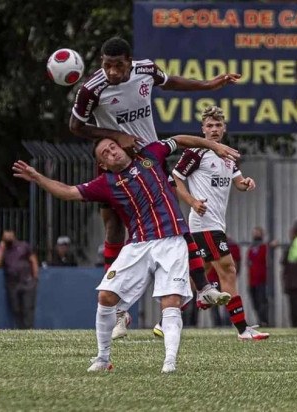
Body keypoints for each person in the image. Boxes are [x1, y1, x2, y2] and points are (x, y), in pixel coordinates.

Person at [13, 134, 239, 373]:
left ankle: (169, 363)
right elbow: (68, 191)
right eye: (106, 154)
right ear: (103, 164)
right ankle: (102, 359)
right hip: (137, 246)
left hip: (171, 241)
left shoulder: (151, 154)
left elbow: (180, 140)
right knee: (106, 297)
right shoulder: (105, 183)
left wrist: (214, 145)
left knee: (170, 301)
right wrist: (37, 177)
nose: (112, 152)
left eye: (113, 147)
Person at [70, 36, 241, 336]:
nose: (112, 72)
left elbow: (171, 82)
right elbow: (76, 126)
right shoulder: (91, 89)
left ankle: (202, 288)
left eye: (118, 66)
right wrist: (115, 134)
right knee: (113, 228)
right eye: (107, 65)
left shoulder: (145, 70)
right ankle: (119, 311)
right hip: (114, 159)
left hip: (148, 158)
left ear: (129, 62)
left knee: (173, 220)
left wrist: (208, 85)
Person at [171, 105, 269, 340]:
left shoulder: (227, 155)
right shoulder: (196, 152)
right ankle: (243, 329)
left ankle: (166, 319)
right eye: (209, 126)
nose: (214, 130)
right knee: (228, 270)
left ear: (224, 128)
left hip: (216, 224)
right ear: (202, 129)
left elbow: (238, 183)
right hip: (205, 224)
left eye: (217, 125)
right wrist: (193, 202)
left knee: (199, 272)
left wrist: (246, 183)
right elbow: (175, 178)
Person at [0, 229, 39, 329]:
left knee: (28, 308)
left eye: (9, 233)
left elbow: (33, 259)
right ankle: (21, 331)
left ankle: (29, 332)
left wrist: (35, 278)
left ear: (13, 234)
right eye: (5, 235)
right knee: (16, 309)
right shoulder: (4, 249)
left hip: (27, 282)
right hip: (12, 284)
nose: (8, 236)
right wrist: (1, 247)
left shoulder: (23, 246)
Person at [246, 227, 271, 326]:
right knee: (255, 302)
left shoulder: (264, 247)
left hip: (262, 280)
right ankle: (260, 320)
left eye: (258, 233)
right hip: (252, 280)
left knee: (262, 301)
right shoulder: (251, 248)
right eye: (254, 233)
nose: (256, 235)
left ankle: (264, 321)